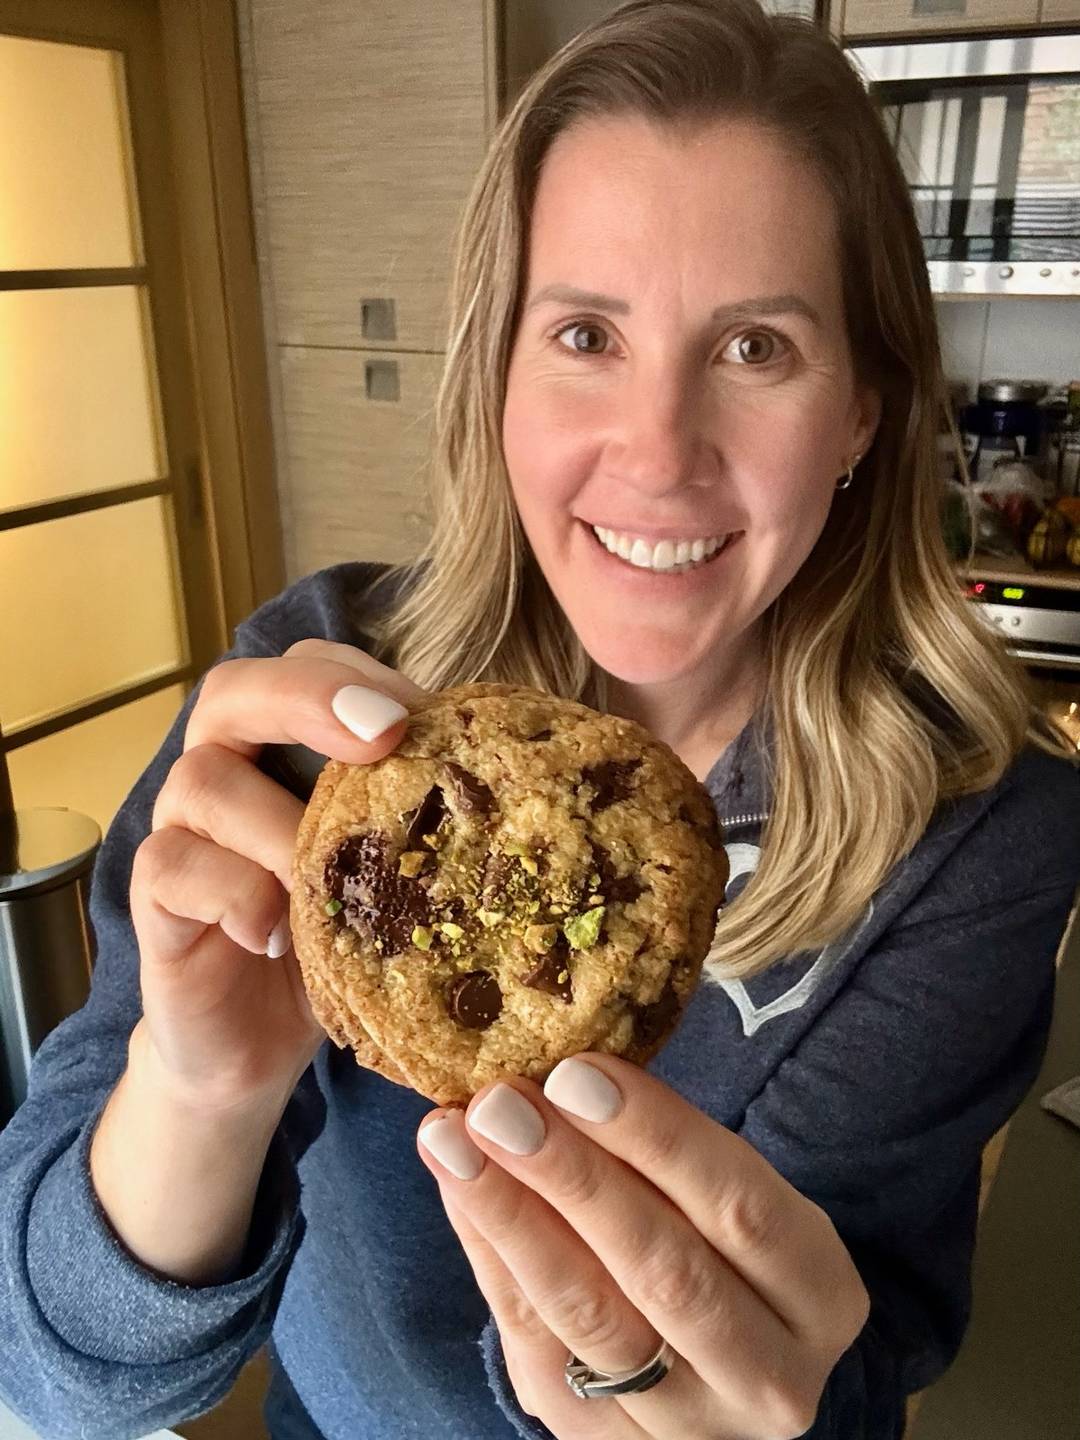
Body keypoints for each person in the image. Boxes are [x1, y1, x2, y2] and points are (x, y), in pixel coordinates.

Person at [2, 1, 1078, 1436]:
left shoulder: (981, 839)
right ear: (496, 368)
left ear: (867, 410)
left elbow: (844, 1353)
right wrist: (199, 1084)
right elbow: (54, 1375)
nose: (658, 451)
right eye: (583, 332)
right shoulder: (307, 696)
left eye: (755, 347)